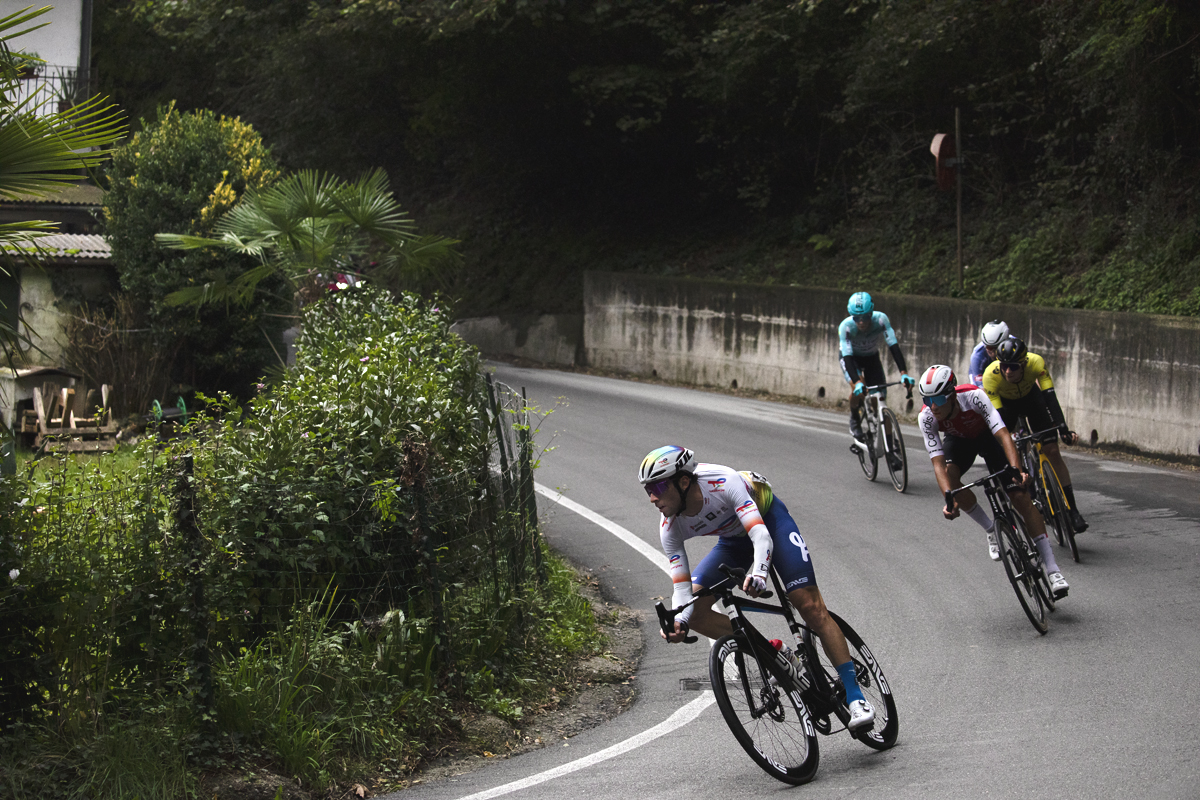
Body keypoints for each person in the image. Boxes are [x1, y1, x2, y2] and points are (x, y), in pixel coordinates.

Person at [639, 445, 876, 730]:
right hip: (733, 541)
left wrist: (760, 573)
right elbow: (682, 587)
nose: (653, 497)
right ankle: (775, 653)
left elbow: (761, 536)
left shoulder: (723, 481)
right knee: (696, 612)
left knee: (809, 606)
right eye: (648, 489)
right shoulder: (669, 526)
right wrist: (679, 622)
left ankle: (855, 695)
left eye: (660, 487)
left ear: (684, 481)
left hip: (768, 522)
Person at [915, 365, 1070, 598]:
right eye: (927, 399)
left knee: (1019, 496)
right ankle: (990, 528)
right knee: (950, 475)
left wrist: (1017, 471)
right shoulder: (926, 417)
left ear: (952, 394)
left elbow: (1003, 435)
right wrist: (949, 497)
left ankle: (1053, 569)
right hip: (959, 442)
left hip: (988, 437)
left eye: (938, 398)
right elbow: (937, 464)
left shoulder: (974, 397)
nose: (933, 405)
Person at [981, 338, 1088, 532]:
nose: (1007, 371)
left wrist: (1063, 429)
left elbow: (1050, 397)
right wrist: (1006, 441)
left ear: (1023, 364)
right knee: (1010, 446)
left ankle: (1073, 510)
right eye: (1004, 366)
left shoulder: (1036, 363)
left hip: (1032, 399)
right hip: (1007, 406)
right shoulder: (991, 376)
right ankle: (1025, 483)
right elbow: (998, 419)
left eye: (1013, 367)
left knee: (1052, 451)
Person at [838, 292, 915, 443]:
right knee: (857, 386)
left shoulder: (880, 320)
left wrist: (904, 373)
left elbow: (893, 346)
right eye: (856, 318)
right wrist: (857, 382)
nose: (861, 322)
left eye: (865, 317)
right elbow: (847, 357)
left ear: (871, 313)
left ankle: (890, 442)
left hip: (871, 358)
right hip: (851, 359)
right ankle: (854, 418)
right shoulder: (846, 327)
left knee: (879, 399)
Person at [968, 319, 1010, 387]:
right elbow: (981, 389)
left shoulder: (1016, 346)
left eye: (997, 348)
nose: (993, 354)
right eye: (989, 348)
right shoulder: (977, 356)